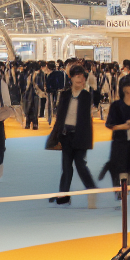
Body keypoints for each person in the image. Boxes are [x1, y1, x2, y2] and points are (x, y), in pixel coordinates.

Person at [47, 64, 98, 206]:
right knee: (66, 167)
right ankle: (63, 196)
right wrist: (56, 135)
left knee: (80, 165)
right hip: (66, 135)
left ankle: (92, 190)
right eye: (77, 77)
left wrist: (86, 140)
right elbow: (60, 117)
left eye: (82, 77)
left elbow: (85, 121)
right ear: (71, 78)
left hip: (80, 136)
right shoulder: (64, 95)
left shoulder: (86, 96)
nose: (80, 80)